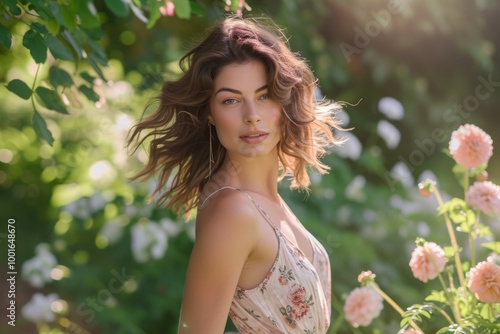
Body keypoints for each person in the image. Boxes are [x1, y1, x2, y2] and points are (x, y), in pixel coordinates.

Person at [128, 15, 346, 334]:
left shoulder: (262, 201)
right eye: (231, 100)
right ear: (210, 114)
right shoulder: (233, 211)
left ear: (283, 101)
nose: (252, 116)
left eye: (264, 96)